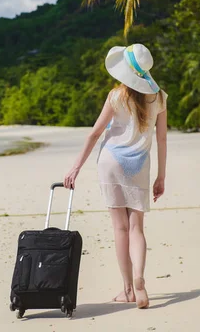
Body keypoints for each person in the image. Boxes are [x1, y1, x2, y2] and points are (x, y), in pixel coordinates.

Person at [63, 43, 168, 309]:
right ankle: (140, 278)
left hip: (110, 163)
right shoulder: (160, 98)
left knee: (119, 229)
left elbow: (95, 133)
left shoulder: (116, 96)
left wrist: (75, 167)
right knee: (136, 228)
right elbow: (162, 139)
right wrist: (161, 177)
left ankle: (128, 290)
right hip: (139, 167)